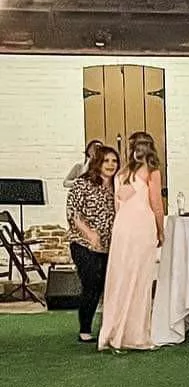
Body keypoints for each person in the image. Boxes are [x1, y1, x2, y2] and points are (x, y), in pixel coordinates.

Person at [98, 132, 164, 352]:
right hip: (142, 225)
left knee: (121, 276)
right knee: (139, 279)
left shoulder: (122, 173)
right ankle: (134, 335)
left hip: (122, 226)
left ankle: (114, 332)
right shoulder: (152, 172)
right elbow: (156, 204)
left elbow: (118, 204)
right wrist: (161, 231)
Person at [66, 144, 118, 343]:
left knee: (104, 285)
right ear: (97, 162)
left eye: (114, 161)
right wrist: (90, 235)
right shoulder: (83, 183)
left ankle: (109, 327)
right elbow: (73, 213)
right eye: (106, 161)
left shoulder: (118, 186)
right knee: (92, 282)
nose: (110, 165)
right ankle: (85, 329)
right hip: (83, 244)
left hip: (109, 246)